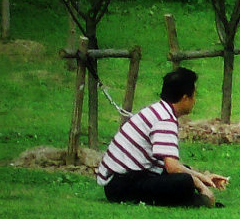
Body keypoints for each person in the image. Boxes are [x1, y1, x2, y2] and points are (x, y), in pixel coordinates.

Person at [96, 67, 229, 207]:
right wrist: (200, 183)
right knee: (184, 181)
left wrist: (203, 177)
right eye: (193, 96)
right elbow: (172, 167)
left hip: (123, 180)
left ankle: (193, 199)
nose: (194, 100)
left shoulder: (160, 110)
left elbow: (169, 166)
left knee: (184, 172)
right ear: (185, 98)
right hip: (121, 185)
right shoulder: (165, 119)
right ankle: (199, 201)